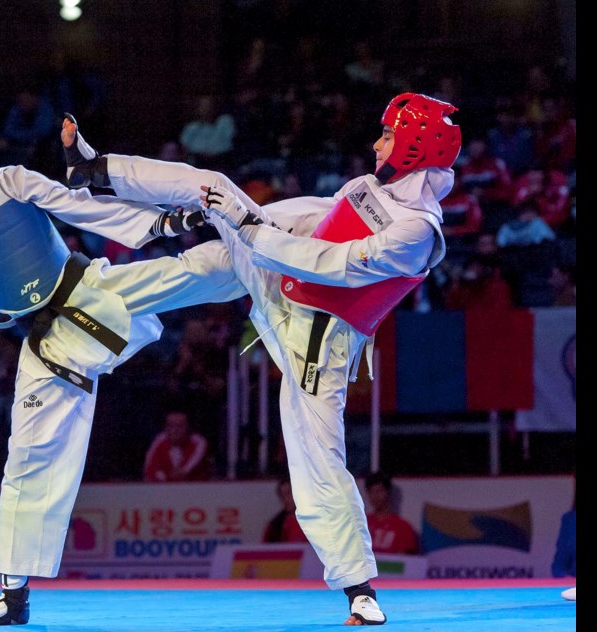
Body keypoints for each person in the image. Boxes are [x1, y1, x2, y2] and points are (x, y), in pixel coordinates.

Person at [63, 91, 461, 625]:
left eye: (387, 135)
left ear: (415, 146)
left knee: (318, 457)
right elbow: (309, 218)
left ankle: (359, 590)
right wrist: (248, 222)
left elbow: (329, 263)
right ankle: (93, 191)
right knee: (210, 238)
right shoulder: (368, 186)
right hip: (278, 283)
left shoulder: (418, 232)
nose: (375, 142)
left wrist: (249, 228)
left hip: (317, 348)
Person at [0, 91, 248, 627]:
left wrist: (163, 225)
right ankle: (12, 597)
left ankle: (287, 249)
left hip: (89, 291)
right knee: (28, 459)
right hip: (46, 340)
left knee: (199, 270)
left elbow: (83, 205)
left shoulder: (11, 179)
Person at [142, 409, 211, 482]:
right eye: (171, 425)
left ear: (188, 428)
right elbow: (149, 468)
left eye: (180, 426)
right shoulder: (159, 441)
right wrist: (163, 477)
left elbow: (184, 472)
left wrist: (182, 472)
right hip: (165, 489)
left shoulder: (198, 442)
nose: (175, 430)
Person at [363, 471, 419, 555]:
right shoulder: (362, 523)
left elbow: (407, 561)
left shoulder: (403, 526)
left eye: (379, 491)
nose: (375, 496)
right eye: (371, 492)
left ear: (388, 492)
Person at [262, 476, 309, 543]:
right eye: (282, 496)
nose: (286, 499)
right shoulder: (275, 525)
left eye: (289, 493)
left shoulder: (314, 520)